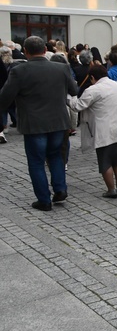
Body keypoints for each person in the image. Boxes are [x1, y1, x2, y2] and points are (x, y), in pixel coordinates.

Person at [0, 36, 78, 210]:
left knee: (36, 161)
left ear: (26, 52)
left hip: (33, 123)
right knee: (56, 156)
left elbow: (4, 98)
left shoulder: (19, 70)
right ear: (45, 50)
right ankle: (60, 189)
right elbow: (74, 90)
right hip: (58, 121)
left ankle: (44, 200)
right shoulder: (62, 68)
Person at [67, 64, 117, 198]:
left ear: (92, 77)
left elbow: (78, 106)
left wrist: (70, 97)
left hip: (103, 130)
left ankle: (111, 189)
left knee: (105, 161)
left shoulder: (93, 90)